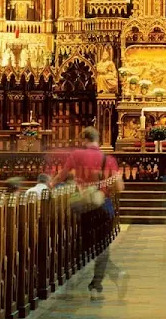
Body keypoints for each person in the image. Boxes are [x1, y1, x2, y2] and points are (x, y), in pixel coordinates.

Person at [51, 127, 125, 300]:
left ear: (84, 139)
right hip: (104, 206)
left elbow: (61, 177)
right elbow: (119, 187)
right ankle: (96, 286)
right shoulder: (109, 159)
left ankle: (72, 284)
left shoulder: (76, 155)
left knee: (83, 244)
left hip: (84, 206)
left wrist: (48, 187)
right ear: (98, 140)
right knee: (102, 247)